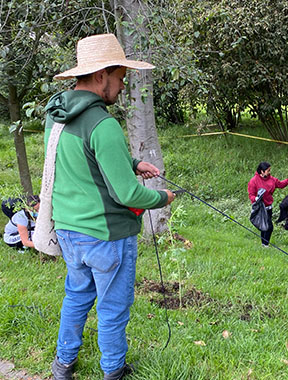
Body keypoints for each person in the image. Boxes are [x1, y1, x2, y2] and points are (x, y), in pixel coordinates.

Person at [45, 34, 176, 380]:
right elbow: (129, 197)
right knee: (113, 309)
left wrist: (131, 163)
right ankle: (113, 371)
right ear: (102, 75)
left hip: (70, 231)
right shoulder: (103, 124)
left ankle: (63, 366)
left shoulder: (56, 117)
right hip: (106, 237)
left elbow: (81, 159)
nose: (121, 85)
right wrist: (163, 198)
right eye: (120, 77)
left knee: (76, 296)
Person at [247, 161, 288, 246]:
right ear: (262, 171)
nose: (269, 172)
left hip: (269, 207)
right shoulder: (253, 181)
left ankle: (263, 244)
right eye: (268, 170)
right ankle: (265, 245)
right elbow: (251, 195)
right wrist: (256, 198)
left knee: (264, 226)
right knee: (269, 227)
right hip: (260, 208)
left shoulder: (272, 179)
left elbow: (280, 184)